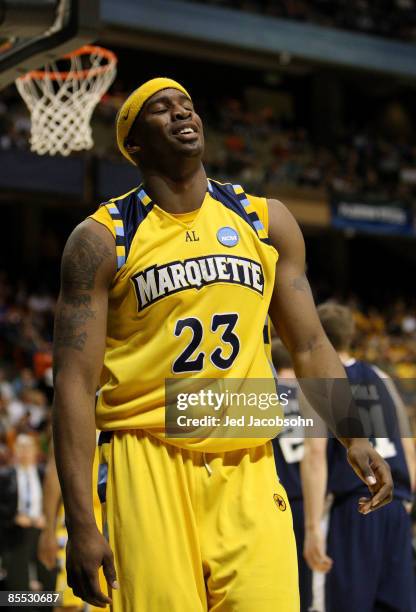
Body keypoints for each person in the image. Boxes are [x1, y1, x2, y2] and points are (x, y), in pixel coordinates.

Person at [52, 77, 393, 612]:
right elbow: (72, 383)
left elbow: (307, 343)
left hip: (250, 462)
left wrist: (352, 433)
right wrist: (79, 519)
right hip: (147, 461)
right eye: (161, 110)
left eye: (187, 104)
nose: (181, 114)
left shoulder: (265, 220)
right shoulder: (101, 239)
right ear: (134, 145)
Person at [302, 303, 416, 612]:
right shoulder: (381, 375)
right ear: (352, 335)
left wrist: (312, 529)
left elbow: (314, 455)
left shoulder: (319, 381)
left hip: (357, 506)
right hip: (396, 505)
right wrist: (408, 501)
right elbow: (407, 445)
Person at [37, 443, 108, 612]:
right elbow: (53, 475)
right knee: (71, 601)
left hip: (117, 519)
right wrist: (48, 531)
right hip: (80, 519)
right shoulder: (75, 418)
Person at [271, 339, 312, 612]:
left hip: (277, 498)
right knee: (307, 581)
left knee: (278, 577)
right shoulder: (309, 394)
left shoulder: (264, 394)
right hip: (311, 498)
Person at [0, 434, 45, 594]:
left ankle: (40, 600)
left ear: (36, 450)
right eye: (21, 447)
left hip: (41, 531)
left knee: (48, 589)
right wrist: (14, 517)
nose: (25, 451)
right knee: (17, 587)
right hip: (15, 532)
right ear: (15, 450)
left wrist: (46, 517)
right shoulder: (4, 475)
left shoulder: (44, 473)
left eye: (28, 447)